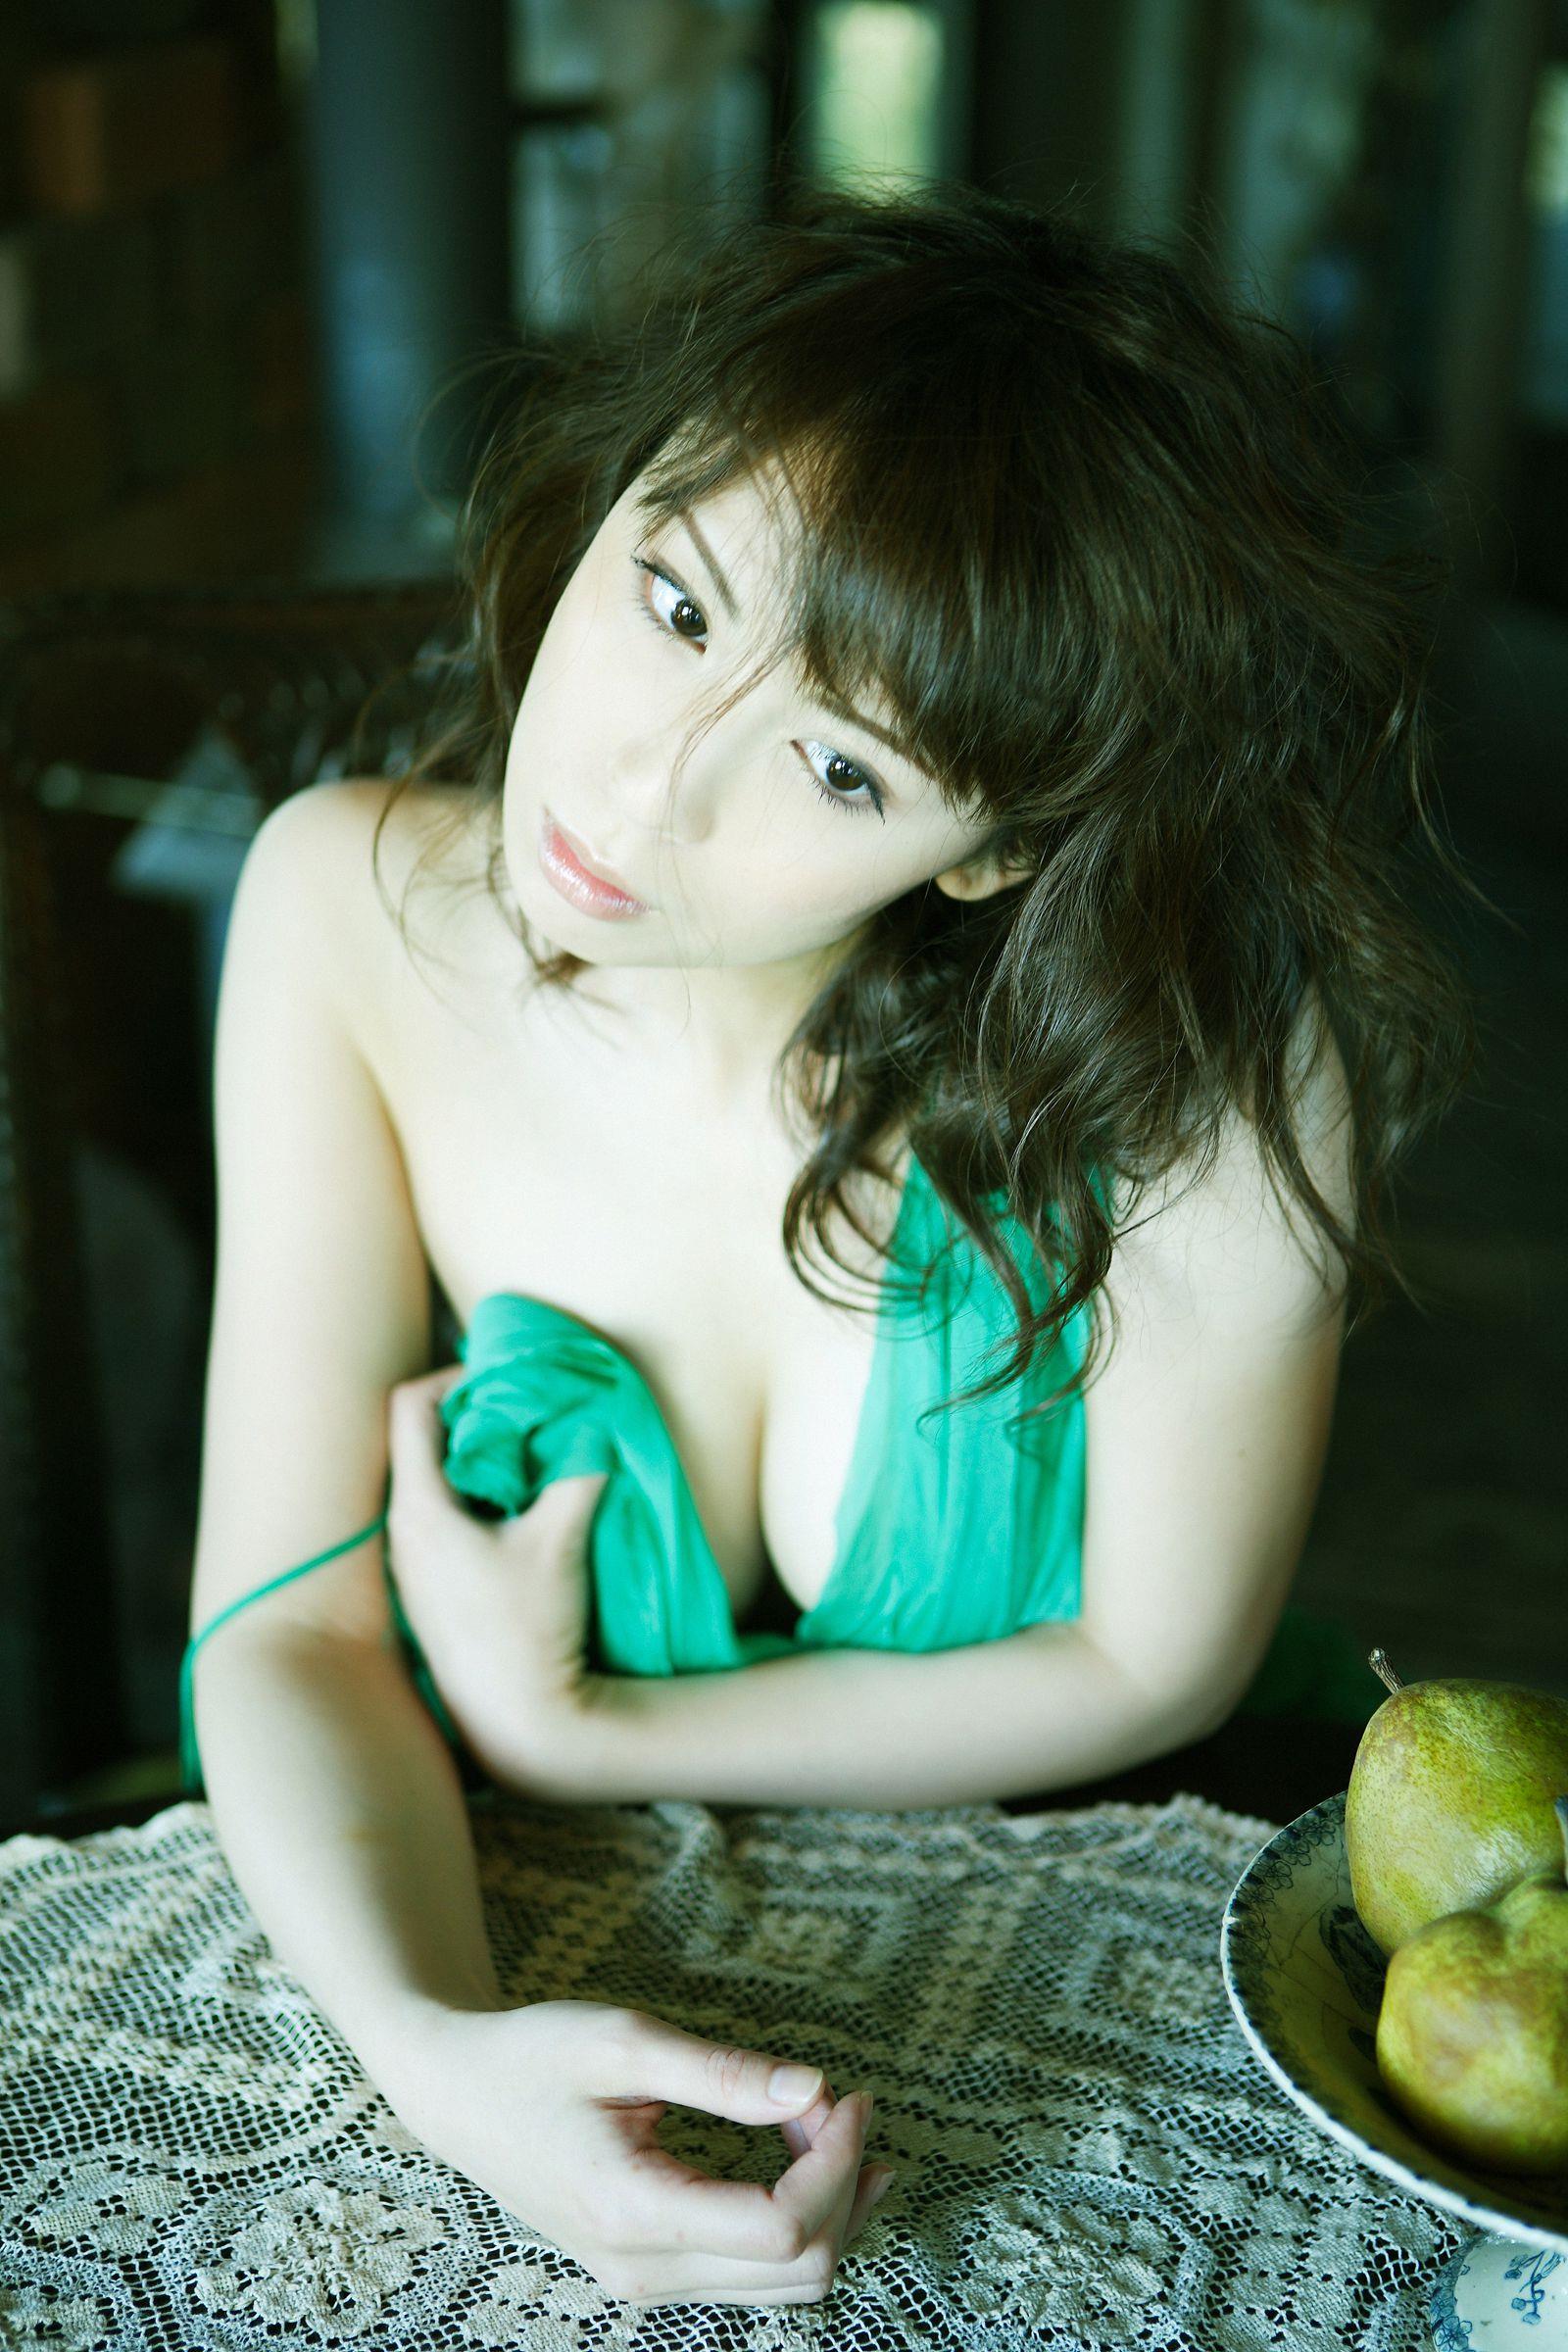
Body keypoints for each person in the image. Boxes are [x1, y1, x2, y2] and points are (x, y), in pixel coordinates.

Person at [181, 176, 1473, 2309]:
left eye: (841, 769)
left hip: (1087, 1985)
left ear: (994, 851)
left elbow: (1154, 1661)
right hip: (484, 1909)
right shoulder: (352, 911)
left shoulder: (1211, 1085)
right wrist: (436, 2052)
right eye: (674, 600)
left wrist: (583, 1735)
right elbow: (287, 1622)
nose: (642, 784)